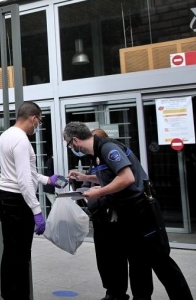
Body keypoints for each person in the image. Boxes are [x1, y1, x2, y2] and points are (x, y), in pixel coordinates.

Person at [65, 122, 194, 300]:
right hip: (130, 214)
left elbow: (126, 177)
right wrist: (86, 177)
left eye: (69, 145)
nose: (72, 148)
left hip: (143, 211)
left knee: (160, 261)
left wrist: (98, 192)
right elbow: (110, 175)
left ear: (75, 140)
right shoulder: (97, 153)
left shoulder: (108, 148)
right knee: (137, 261)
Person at [0, 102, 62, 299]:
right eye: (39, 121)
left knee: (10, 251)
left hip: (5, 196)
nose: (38, 125)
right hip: (17, 201)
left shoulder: (5, 135)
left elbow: (24, 173)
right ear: (33, 118)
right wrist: (37, 211)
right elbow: (24, 180)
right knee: (22, 256)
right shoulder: (22, 140)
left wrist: (47, 180)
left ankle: (8, 295)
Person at [84, 128, 131, 300]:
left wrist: (99, 192)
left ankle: (117, 292)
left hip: (111, 214)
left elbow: (120, 180)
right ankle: (111, 291)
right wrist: (85, 178)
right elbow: (103, 178)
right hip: (99, 214)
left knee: (114, 256)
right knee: (103, 256)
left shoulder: (108, 152)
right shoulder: (95, 158)